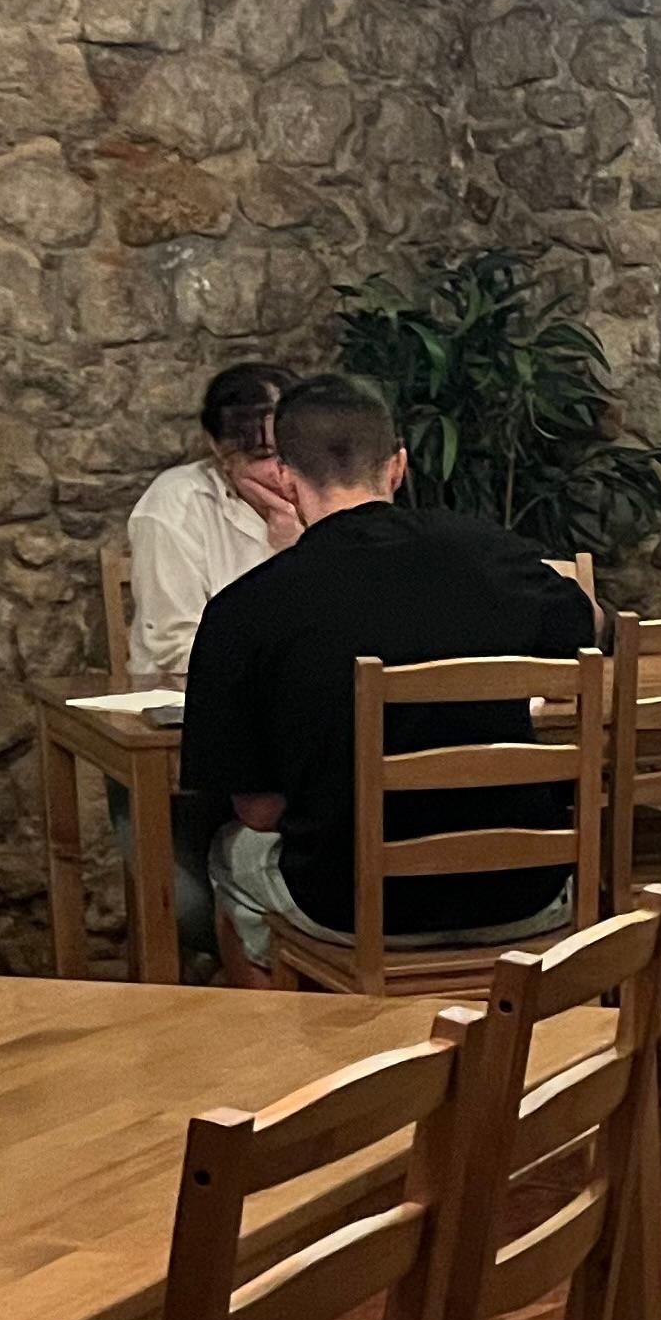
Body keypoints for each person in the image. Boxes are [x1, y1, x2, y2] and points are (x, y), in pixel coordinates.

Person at [185, 370, 599, 971]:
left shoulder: (244, 608)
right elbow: (591, 624)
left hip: (348, 906)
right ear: (398, 466)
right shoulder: (488, 554)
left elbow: (260, 812)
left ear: (287, 481)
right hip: (525, 890)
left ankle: (290, 1029)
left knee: (230, 854)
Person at [123, 362, 301, 678]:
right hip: (188, 691)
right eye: (262, 456)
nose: (281, 473)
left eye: (293, 451)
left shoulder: (324, 488)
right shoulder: (176, 503)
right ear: (217, 446)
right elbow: (177, 646)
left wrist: (301, 547)